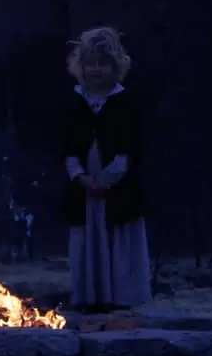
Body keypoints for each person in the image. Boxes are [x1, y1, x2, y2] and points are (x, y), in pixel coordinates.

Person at [61, 26, 151, 312]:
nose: (96, 70)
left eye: (103, 63)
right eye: (90, 64)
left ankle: (120, 298)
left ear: (116, 66)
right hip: (84, 189)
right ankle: (89, 296)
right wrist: (81, 178)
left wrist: (108, 179)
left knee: (117, 242)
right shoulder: (75, 103)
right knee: (88, 240)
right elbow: (65, 146)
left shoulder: (125, 102)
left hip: (117, 188)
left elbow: (131, 148)